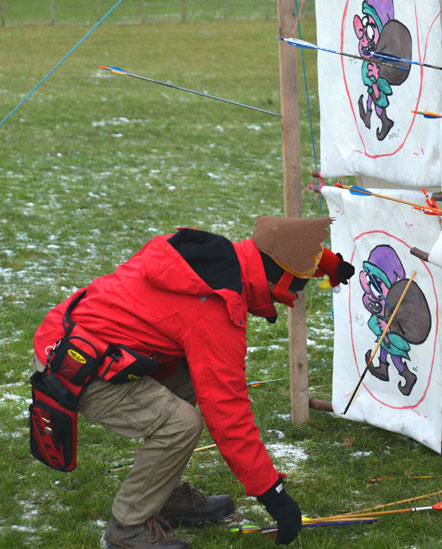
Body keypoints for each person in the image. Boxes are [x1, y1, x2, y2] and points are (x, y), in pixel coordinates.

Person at [30, 216, 354, 548]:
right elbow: (228, 415)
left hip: (71, 340)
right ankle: (127, 528)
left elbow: (284, 246)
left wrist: (330, 265)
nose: (293, 296)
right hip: (76, 369)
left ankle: (164, 495)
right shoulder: (214, 310)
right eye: (294, 288)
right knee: (180, 425)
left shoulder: (216, 259)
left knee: (187, 375)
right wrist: (274, 495)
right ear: (277, 280)